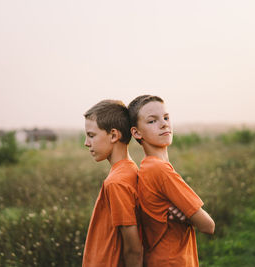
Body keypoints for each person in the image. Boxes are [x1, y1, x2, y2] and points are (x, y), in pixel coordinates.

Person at [128, 95, 215, 267]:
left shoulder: (147, 167)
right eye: (152, 121)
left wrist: (187, 216)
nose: (164, 124)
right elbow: (208, 226)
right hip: (172, 261)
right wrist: (189, 219)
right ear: (136, 132)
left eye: (166, 117)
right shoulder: (160, 170)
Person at [82, 99, 142, 267]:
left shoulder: (117, 182)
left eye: (91, 135)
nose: (86, 143)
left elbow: (133, 249)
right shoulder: (129, 171)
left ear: (114, 135)